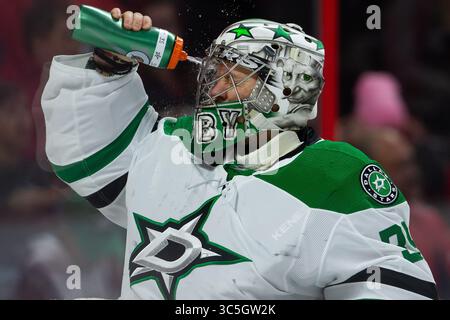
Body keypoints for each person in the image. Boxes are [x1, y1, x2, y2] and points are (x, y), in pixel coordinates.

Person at [41, 7, 438, 300]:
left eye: (234, 74)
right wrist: (109, 67)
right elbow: (86, 158)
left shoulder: (335, 178)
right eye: (214, 72)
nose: (213, 88)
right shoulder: (173, 145)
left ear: (285, 87)